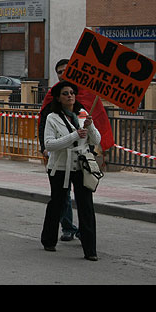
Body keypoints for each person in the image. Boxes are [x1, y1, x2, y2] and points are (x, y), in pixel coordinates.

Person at [40, 81, 101, 261]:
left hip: (81, 166)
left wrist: (90, 126)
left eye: (72, 93)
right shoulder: (52, 117)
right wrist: (74, 135)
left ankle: (90, 250)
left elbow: (96, 140)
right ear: (58, 98)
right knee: (57, 203)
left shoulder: (83, 114)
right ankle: (49, 240)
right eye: (65, 93)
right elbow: (49, 144)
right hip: (60, 166)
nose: (70, 96)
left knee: (86, 206)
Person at [39, 59, 79, 241]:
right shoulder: (52, 104)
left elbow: (94, 131)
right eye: (60, 72)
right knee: (62, 197)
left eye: (66, 70)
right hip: (60, 161)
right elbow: (44, 127)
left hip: (80, 162)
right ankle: (67, 227)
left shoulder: (82, 102)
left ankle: (85, 232)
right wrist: (44, 147)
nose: (63, 74)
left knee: (83, 199)